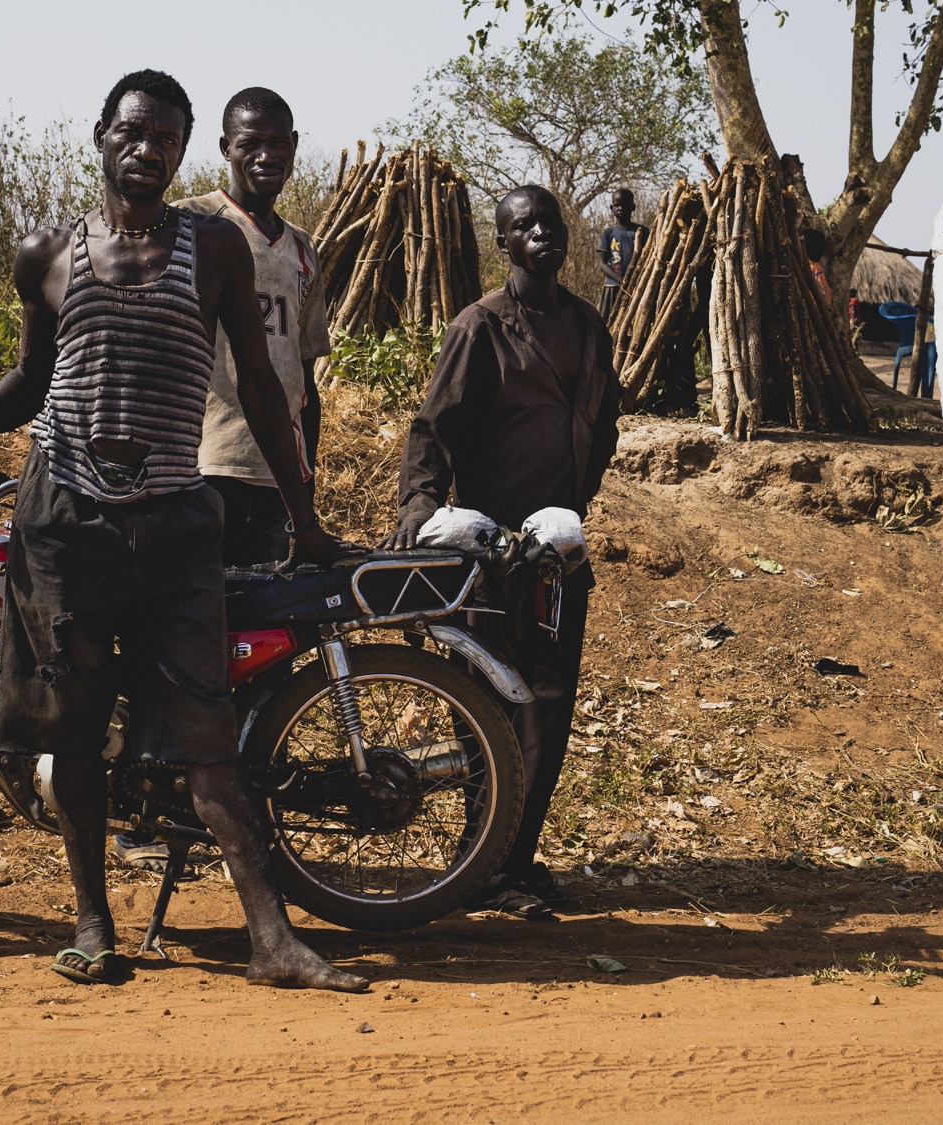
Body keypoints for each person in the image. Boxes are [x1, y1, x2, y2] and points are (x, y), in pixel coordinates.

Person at [0, 68, 365, 992]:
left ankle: (271, 939)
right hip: (66, 520)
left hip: (175, 521)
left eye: (165, 138)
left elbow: (269, 392)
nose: (146, 149)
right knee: (71, 732)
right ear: (101, 135)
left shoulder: (216, 250)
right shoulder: (48, 254)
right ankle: (92, 920)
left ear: (184, 150)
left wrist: (306, 515)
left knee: (208, 737)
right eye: (133, 132)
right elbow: (32, 383)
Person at [388, 184, 621, 919]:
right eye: (525, 226)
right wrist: (419, 506)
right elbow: (433, 428)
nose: (542, 234)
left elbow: (605, 424)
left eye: (550, 223)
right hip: (488, 556)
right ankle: (487, 859)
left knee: (549, 704)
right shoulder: (481, 327)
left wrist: (575, 501)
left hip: (555, 554)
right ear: (504, 243)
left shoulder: (588, 327)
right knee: (488, 703)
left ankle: (509, 858)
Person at [175, 87, 330, 565]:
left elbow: (301, 377)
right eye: (250, 143)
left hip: (277, 475)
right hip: (200, 464)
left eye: (278, 143)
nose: (266, 156)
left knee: (263, 628)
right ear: (226, 148)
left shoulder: (303, 249)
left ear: (295, 145)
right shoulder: (189, 223)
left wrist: (305, 477)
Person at [595, 189, 643, 321]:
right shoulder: (608, 233)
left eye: (625, 205)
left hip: (638, 286)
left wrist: (634, 281)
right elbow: (602, 264)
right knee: (608, 322)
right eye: (617, 205)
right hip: (613, 287)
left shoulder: (642, 232)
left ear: (633, 207)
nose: (621, 208)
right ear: (612, 208)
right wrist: (620, 280)